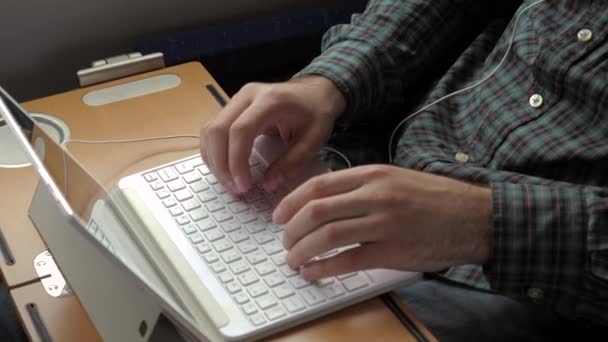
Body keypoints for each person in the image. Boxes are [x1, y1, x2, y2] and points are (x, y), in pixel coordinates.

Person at [200, 0, 608, 339]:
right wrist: (327, 83)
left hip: (529, 283)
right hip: (381, 154)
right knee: (180, 268)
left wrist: (483, 222)